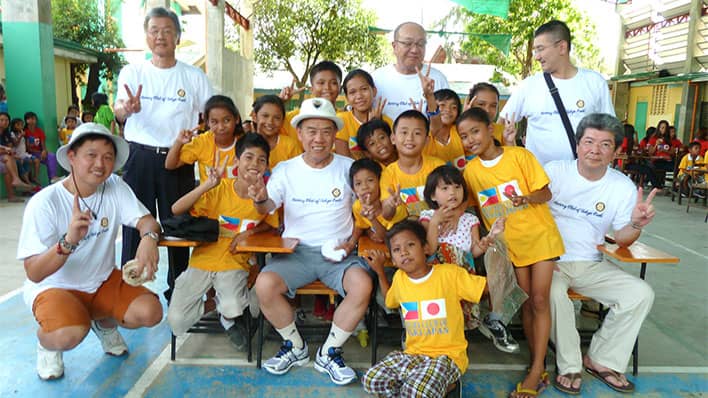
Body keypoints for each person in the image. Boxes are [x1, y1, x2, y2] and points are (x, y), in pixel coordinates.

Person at [16, 122, 163, 381]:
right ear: (71, 157)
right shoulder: (45, 202)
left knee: (151, 312)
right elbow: (35, 273)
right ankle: (48, 344)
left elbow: (147, 221)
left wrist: (148, 239)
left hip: (101, 281)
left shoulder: (115, 186)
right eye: (91, 155)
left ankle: (103, 321)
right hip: (55, 288)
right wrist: (68, 242)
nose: (100, 164)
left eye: (108, 157)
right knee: (69, 334)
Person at [247, 98, 373, 386]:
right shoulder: (285, 170)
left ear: (335, 135)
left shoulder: (348, 168)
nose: (319, 138)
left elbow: (363, 211)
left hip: (339, 254)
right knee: (264, 285)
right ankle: (296, 347)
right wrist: (257, 198)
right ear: (300, 134)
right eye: (311, 131)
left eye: (326, 131)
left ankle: (329, 352)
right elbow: (266, 207)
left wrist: (352, 242)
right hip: (297, 253)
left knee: (362, 285)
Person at [545, 113, 657, 395]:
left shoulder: (622, 187)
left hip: (591, 264)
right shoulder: (553, 172)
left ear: (616, 152)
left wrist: (636, 224)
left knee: (640, 293)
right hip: (550, 261)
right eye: (589, 141)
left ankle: (601, 359)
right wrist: (544, 258)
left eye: (605, 144)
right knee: (554, 294)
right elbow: (526, 217)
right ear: (578, 145)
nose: (595, 150)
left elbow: (621, 238)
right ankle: (569, 364)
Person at [460, 107, 565, 397]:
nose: (470, 140)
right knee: (528, 302)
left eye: (475, 132)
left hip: (541, 237)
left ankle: (535, 369)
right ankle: (538, 361)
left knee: (541, 299)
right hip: (510, 245)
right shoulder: (471, 171)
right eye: (464, 136)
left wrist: (526, 198)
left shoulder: (520, 156)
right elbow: (464, 203)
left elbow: (546, 193)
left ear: (490, 129)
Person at [114, 6, 213, 301]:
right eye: (154, 30)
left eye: (167, 31)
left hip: (177, 159)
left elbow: (211, 114)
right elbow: (119, 111)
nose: (161, 36)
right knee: (135, 222)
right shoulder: (133, 72)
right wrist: (127, 110)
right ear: (146, 36)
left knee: (178, 224)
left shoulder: (193, 76)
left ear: (178, 37)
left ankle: (179, 290)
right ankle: (130, 289)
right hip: (139, 156)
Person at [168, 133, 278, 351]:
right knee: (177, 321)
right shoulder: (219, 188)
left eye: (261, 159)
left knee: (233, 306)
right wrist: (207, 185)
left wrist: (246, 234)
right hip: (202, 260)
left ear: (267, 165)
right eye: (248, 157)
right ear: (237, 161)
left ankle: (229, 313)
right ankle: (216, 307)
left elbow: (271, 223)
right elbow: (176, 209)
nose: (254, 164)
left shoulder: (266, 194)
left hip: (234, 262)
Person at [362, 220, 487, 397]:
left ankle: (446, 384)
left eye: (410, 245)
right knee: (372, 380)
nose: (404, 252)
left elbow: (484, 288)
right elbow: (390, 301)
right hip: (413, 354)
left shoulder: (449, 274)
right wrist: (380, 272)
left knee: (416, 390)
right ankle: (424, 386)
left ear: (426, 248)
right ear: (394, 260)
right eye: (396, 250)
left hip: (447, 357)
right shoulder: (399, 278)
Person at [420, 165, 518, 353]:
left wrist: (488, 238)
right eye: (445, 188)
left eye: (457, 187)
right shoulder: (427, 217)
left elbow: (473, 252)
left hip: (462, 273)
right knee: (446, 251)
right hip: (437, 276)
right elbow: (429, 249)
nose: (452, 193)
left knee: (498, 250)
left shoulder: (469, 220)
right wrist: (435, 222)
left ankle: (495, 319)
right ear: (433, 196)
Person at [500, 20, 615, 165]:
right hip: (540, 182)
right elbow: (502, 122)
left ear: (562, 47)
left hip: (583, 178)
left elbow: (609, 130)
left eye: (540, 49)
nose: (536, 56)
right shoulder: (528, 86)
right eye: (535, 50)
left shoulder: (595, 82)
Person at [372, 22, 450, 121]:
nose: (414, 50)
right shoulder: (377, 79)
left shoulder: (437, 79)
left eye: (420, 44)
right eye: (407, 43)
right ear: (394, 46)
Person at [165, 95, 244, 182]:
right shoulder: (201, 142)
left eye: (226, 120)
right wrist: (179, 142)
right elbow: (170, 165)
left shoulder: (245, 143)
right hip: (208, 196)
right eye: (214, 122)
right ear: (207, 123)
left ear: (236, 119)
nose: (221, 127)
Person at [279, 61, 343, 146]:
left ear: (340, 88)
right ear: (311, 88)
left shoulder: (344, 118)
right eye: (321, 83)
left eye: (333, 83)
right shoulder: (293, 118)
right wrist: (280, 102)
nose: (327, 87)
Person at [335, 69, 392, 158]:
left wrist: (375, 126)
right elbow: (343, 159)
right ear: (347, 97)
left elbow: (390, 158)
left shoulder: (387, 121)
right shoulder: (341, 120)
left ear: (374, 91)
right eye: (352, 92)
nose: (359, 96)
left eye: (364, 89)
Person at [252, 95, 302, 170]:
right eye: (265, 116)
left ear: (283, 121)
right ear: (254, 117)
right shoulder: (246, 144)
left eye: (277, 118)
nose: (270, 122)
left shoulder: (291, 146)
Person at [423, 89, 466, 167]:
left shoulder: (459, 132)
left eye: (454, 107)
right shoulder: (426, 135)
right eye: (442, 105)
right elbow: (434, 120)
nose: (448, 110)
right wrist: (429, 96)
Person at [24, 111, 58, 183]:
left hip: (38, 153)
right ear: (26, 121)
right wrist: (40, 152)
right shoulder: (25, 132)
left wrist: (44, 151)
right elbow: (27, 148)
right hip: (29, 154)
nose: (32, 121)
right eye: (29, 119)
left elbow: (43, 145)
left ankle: (52, 178)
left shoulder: (39, 131)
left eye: (34, 119)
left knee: (51, 156)